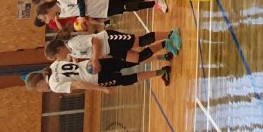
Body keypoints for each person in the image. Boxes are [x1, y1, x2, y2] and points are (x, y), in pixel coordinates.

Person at [26, 43, 169, 94]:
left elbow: (79, 84)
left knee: (127, 79)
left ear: (39, 84)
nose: (40, 91)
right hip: (93, 65)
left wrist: (101, 89)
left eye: (38, 89)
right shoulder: (53, 65)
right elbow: (72, 59)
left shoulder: (54, 86)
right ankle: (163, 52)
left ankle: (162, 71)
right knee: (130, 61)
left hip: (96, 78)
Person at [59, 26, 178, 68]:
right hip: (111, 50)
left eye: (56, 57)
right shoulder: (71, 52)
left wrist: (95, 59)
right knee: (138, 58)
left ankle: (171, 34)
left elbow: (95, 41)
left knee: (141, 41)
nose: (58, 60)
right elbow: (77, 58)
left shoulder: (73, 44)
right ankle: (165, 44)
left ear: (58, 50)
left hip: (110, 40)